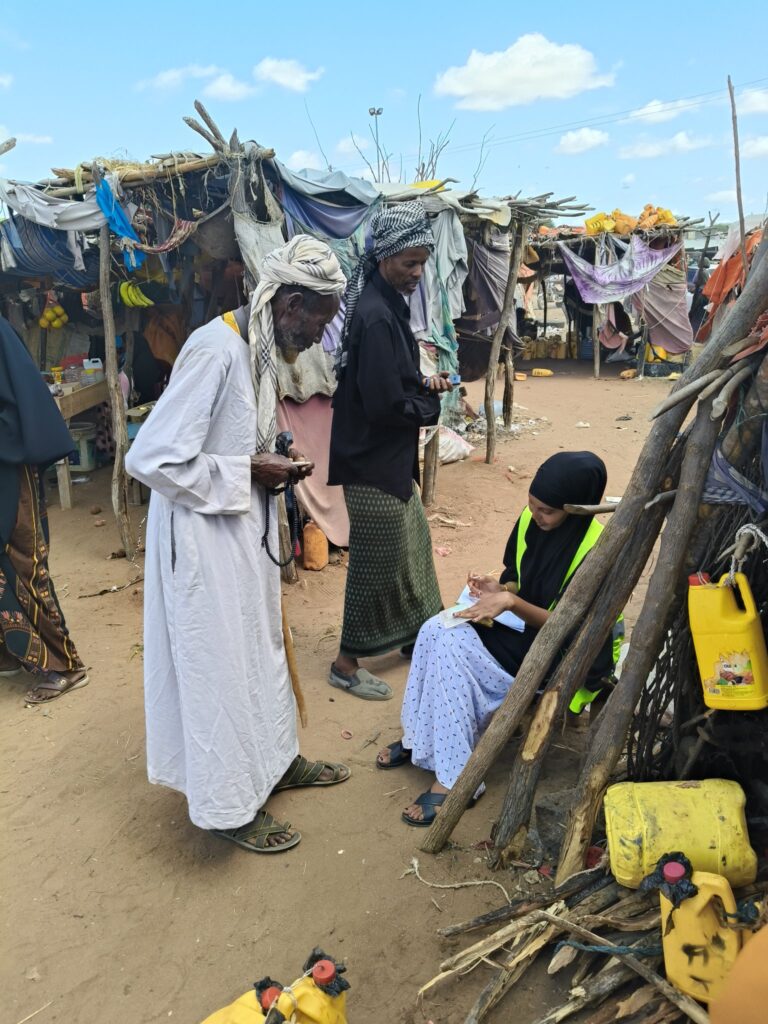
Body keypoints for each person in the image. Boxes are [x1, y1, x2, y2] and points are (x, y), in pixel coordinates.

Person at [125, 236, 351, 853]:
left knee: (260, 653)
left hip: (238, 532)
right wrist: (249, 472)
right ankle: (228, 806)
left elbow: (231, 435)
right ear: (291, 302)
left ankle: (276, 764)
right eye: (316, 323)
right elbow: (149, 458)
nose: (315, 339)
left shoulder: (255, 347)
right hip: (202, 540)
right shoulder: (214, 349)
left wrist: (273, 455)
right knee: (220, 667)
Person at [376, 452, 617, 826]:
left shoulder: (599, 550)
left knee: (453, 651)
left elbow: (574, 626)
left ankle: (456, 778)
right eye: (533, 506)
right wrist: (498, 588)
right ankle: (421, 739)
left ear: (577, 510)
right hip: (523, 627)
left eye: (547, 511)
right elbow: (517, 578)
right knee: (433, 630)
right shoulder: (530, 522)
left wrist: (510, 601)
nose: (537, 516)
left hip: (561, 650)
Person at [328, 200, 453, 701]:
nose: (418, 273)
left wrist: (423, 381)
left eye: (423, 263)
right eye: (410, 263)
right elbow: (382, 406)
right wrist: (428, 407)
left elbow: (389, 379)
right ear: (384, 259)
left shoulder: (386, 303)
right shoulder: (378, 315)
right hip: (371, 460)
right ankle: (344, 663)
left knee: (413, 547)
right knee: (376, 563)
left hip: (386, 460)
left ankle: (414, 637)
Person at [0, 315, 88, 704]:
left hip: (8, 464)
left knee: (23, 559)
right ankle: (11, 652)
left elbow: (16, 402)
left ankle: (66, 664)